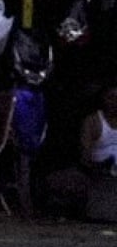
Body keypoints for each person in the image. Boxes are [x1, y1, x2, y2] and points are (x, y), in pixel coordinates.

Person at [44, 80, 117, 221]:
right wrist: (100, 166)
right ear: (103, 99)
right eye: (111, 97)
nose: (115, 103)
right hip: (98, 173)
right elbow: (85, 156)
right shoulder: (93, 121)